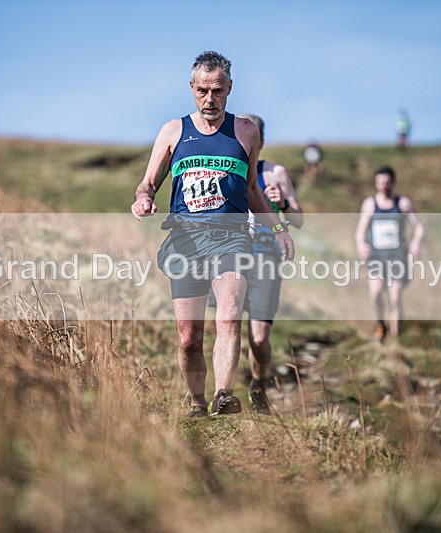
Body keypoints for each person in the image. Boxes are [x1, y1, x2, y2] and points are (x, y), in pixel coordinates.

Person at [131, 51, 295, 418]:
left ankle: (223, 394)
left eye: (217, 91)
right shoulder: (173, 131)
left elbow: (252, 188)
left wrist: (279, 228)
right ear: (192, 88)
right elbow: (148, 184)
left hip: (233, 238)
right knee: (189, 339)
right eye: (203, 90)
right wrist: (142, 200)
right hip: (185, 242)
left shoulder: (246, 132)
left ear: (229, 89)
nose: (210, 99)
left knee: (229, 316)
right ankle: (196, 402)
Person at [208, 113, 304, 414]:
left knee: (259, 338)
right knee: (227, 322)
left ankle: (258, 385)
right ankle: (222, 394)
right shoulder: (225, 167)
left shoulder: (275, 173)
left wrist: (283, 203)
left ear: (260, 139)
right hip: (230, 254)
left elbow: (299, 220)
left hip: (265, 257)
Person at [354, 166, 424, 343]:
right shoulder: (370, 204)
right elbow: (360, 232)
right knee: (376, 293)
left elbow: (419, 226)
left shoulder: (403, 204)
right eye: (379, 183)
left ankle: (396, 336)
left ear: (393, 182)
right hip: (376, 258)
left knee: (395, 297)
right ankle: (380, 326)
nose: (383, 186)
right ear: (376, 183)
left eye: (386, 182)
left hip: (397, 258)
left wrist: (416, 241)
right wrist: (361, 244)